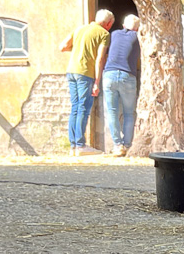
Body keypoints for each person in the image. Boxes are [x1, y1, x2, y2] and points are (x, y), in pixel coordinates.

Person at [61, 9, 114, 156]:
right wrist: (97, 81)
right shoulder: (104, 34)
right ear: (108, 23)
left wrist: (78, 49)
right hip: (85, 73)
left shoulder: (80, 29)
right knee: (83, 108)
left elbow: (63, 46)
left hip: (71, 70)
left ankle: (73, 146)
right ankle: (80, 145)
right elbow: (100, 59)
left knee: (75, 107)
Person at [101, 14, 142, 156]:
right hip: (127, 75)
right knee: (129, 113)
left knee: (112, 111)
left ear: (123, 25)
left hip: (109, 74)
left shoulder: (114, 34)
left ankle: (117, 145)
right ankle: (127, 145)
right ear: (137, 29)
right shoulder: (138, 37)